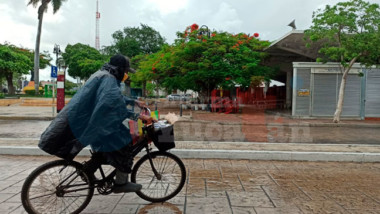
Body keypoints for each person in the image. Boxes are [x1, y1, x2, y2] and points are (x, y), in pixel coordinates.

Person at [38, 54, 155, 193]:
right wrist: (138, 116)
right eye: (125, 71)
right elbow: (111, 105)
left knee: (105, 149)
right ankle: (121, 183)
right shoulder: (109, 79)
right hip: (97, 123)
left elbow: (113, 97)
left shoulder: (102, 74)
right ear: (119, 69)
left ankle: (87, 170)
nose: (126, 75)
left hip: (91, 122)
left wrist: (133, 102)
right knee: (125, 144)